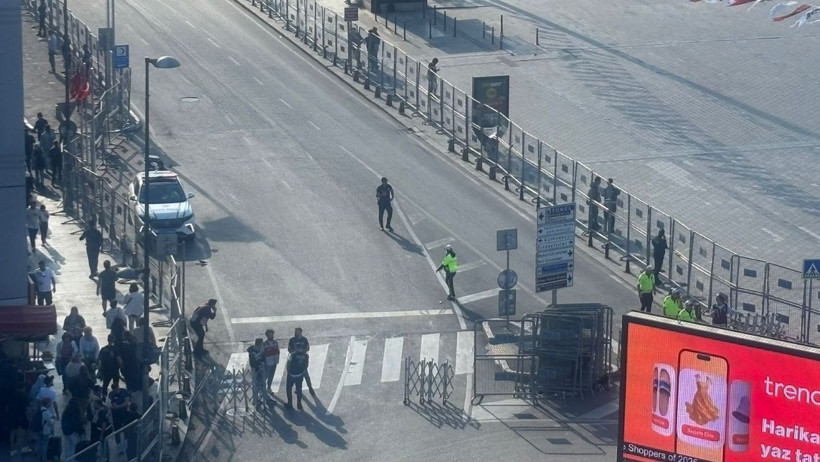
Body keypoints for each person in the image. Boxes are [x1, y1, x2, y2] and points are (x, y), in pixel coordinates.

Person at [287, 328, 315, 396]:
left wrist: (301, 351)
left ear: (301, 332)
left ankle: (310, 388)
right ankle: (298, 389)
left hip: (302, 360)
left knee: (306, 375)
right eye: (295, 332)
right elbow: (289, 349)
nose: (296, 333)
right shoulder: (292, 340)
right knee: (297, 376)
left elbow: (308, 348)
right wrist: (294, 351)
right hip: (294, 360)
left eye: (297, 332)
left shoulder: (304, 339)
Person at [32, 397, 56, 462]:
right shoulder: (46, 412)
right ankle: (43, 458)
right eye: (50, 402)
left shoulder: (40, 410)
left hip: (39, 429)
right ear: (47, 404)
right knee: (44, 444)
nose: (51, 404)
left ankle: (38, 455)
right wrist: (53, 418)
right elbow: (50, 422)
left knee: (39, 442)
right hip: (45, 431)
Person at [262, 329, 280, 394]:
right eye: (269, 334)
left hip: (274, 362)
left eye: (272, 334)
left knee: (271, 376)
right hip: (268, 363)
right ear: (267, 335)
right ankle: (262, 388)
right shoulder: (265, 344)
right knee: (265, 376)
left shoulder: (275, 342)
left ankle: (269, 387)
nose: (271, 335)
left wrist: (277, 360)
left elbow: (277, 351)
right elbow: (263, 353)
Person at [247, 338, 266, 404]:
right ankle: (255, 400)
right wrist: (259, 366)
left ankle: (262, 398)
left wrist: (263, 363)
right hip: (255, 370)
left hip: (261, 369)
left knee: (262, 384)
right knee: (255, 385)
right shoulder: (252, 352)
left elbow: (263, 358)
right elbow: (253, 362)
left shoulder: (261, 350)